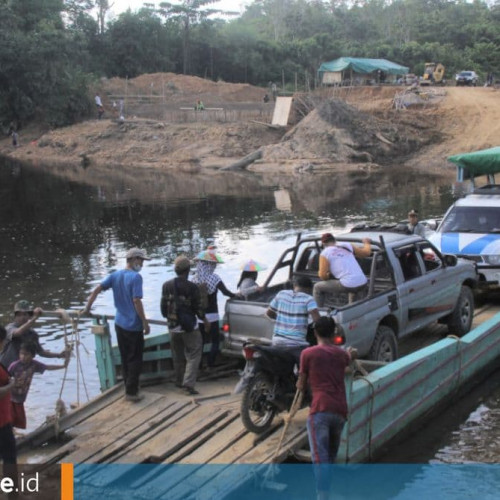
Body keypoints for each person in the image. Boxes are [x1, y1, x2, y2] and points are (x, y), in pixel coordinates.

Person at [297, 316, 356, 500]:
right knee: (330, 457)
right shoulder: (341, 355)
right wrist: (351, 354)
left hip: (320, 410)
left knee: (320, 458)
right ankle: (326, 494)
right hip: (340, 411)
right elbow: (349, 359)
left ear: (315, 333)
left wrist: (302, 383)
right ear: (334, 333)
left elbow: (301, 384)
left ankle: (322, 496)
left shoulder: (308, 354)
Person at [84, 248, 151, 402]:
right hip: (133, 325)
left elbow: (97, 289)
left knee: (125, 356)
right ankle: (132, 393)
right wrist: (145, 321)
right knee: (135, 359)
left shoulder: (115, 275)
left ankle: (129, 387)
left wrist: (87, 308)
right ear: (134, 259)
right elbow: (136, 301)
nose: (142, 264)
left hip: (119, 323)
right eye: (141, 261)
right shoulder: (136, 277)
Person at [161, 256, 209, 395]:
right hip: (189, 327)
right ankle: (188, 384)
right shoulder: (192, 287)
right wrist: (205, 321)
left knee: (178, 355)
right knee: (194, 353)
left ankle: (179, 381)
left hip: (173, 326)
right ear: (188, 270)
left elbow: (163, 308)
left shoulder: (166, 285)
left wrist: (170, 320)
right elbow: (198, 309)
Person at [193, 246, 238, 369]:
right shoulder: (214, 277)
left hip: (200, 317)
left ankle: (200, 366)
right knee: (215, 341)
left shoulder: (194, 279)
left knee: (201, 342)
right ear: (210, 264)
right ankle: (211, 364)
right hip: (212, 315)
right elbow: (226, 292)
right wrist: (236, 295)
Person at [8, 341, 69, 429]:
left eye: (26, 354)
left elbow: (47, 367)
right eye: (21, 354)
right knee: (10, 417)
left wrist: (63, 366)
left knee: (18, 419)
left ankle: (12, 433)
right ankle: (10, 433)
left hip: (20, 397)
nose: (23, 357)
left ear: (33, 356)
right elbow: (6, 377)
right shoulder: (14, 366)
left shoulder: (34, 364)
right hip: (10, 396)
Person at [0, 300, 67, 370]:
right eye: (19, 315)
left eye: (25, 314)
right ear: (15, 317)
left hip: (20, 371)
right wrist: (34, 318)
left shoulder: (32, 334)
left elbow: (41, 352)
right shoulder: (10, 328)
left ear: (29, 316)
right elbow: (17, 333)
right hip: (5, 369)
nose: (22, 317)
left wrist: (59, 355)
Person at [266, 276, 320, 362]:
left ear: (294, 285)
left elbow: (269, 313)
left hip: (277, 342)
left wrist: (281, 318)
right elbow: (318, 321)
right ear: (310, 289)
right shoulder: (308, 299)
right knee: (307, 367)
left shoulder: (281, 294)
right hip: (297, 345)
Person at [313, 233, 371, 307]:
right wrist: (367, 243)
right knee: (351, 286)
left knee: (317, 287)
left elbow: (322, 275)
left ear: (323, 243)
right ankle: (351, 308)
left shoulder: (324, 253)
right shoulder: (347, 245)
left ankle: (319, 312)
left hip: (348, 285)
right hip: (363, 282)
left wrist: (328, 276)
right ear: (334, 240)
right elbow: (366, 253)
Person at [0, 325, 17, 489]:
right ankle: (12, 492)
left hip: (4, 418)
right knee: (9, 457)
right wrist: (10, 386)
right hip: (1, 421)